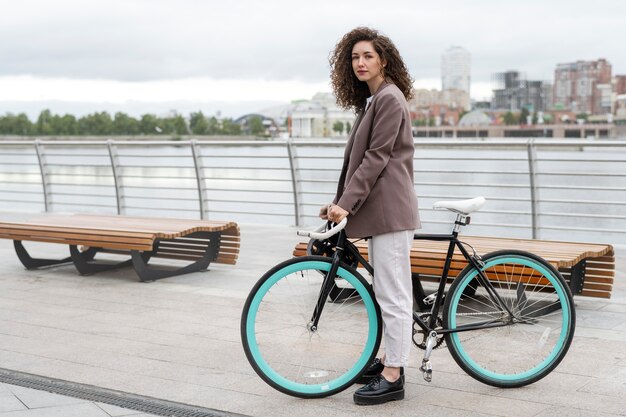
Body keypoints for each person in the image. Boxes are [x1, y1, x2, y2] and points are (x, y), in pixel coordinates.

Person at [320, 27, 420, 405]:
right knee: (386, 291)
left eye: (368, 56)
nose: (360, 63)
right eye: (354, 57)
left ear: (384, 60)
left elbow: (376, 158)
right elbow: (357, 163)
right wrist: (338, 201)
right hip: (380, 209)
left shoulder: (389, 99)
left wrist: (346, 203)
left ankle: (394, 374)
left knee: (393, 295)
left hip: (390, 209)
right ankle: (386, 359)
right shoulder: (373, 100)